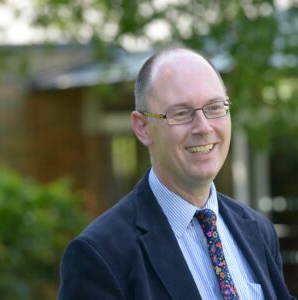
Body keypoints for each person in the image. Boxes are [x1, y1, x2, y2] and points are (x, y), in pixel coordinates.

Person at [58, 47, 294, 300]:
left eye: (215, 107)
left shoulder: (258, 230)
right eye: (181, 113)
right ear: (142, 128)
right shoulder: (99, 255)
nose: (203, 128)